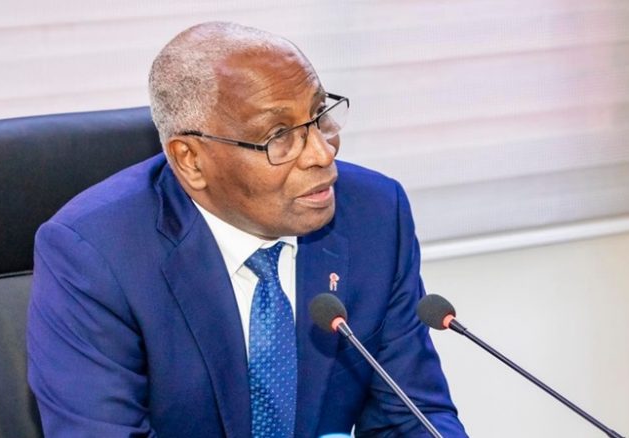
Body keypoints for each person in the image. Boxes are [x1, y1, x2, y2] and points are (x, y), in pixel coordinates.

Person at [27, 21, 468, 437]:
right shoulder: (95, 254)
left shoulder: (374, 213)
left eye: (319, 115)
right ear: (190, 160)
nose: (322, 153)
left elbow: (411, 417)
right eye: (278, 135)